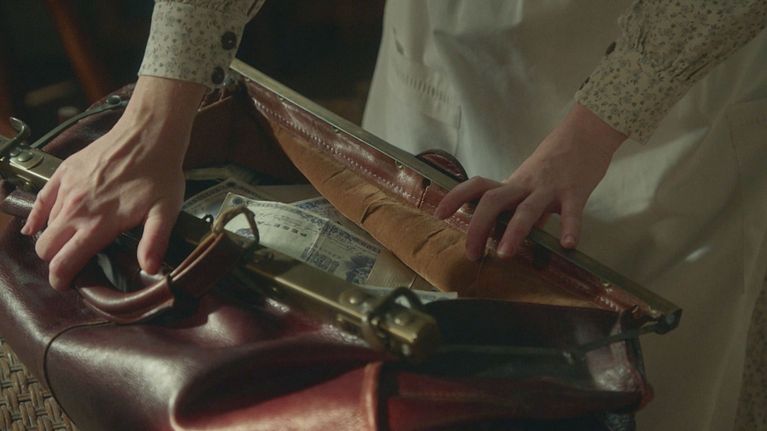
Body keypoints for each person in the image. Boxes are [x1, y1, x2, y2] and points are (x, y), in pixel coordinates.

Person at [19, 0, 767, 429]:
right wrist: (156, 115)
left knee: (636, 374)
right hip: (446, 44)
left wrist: (591, 135)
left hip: (660, 89)